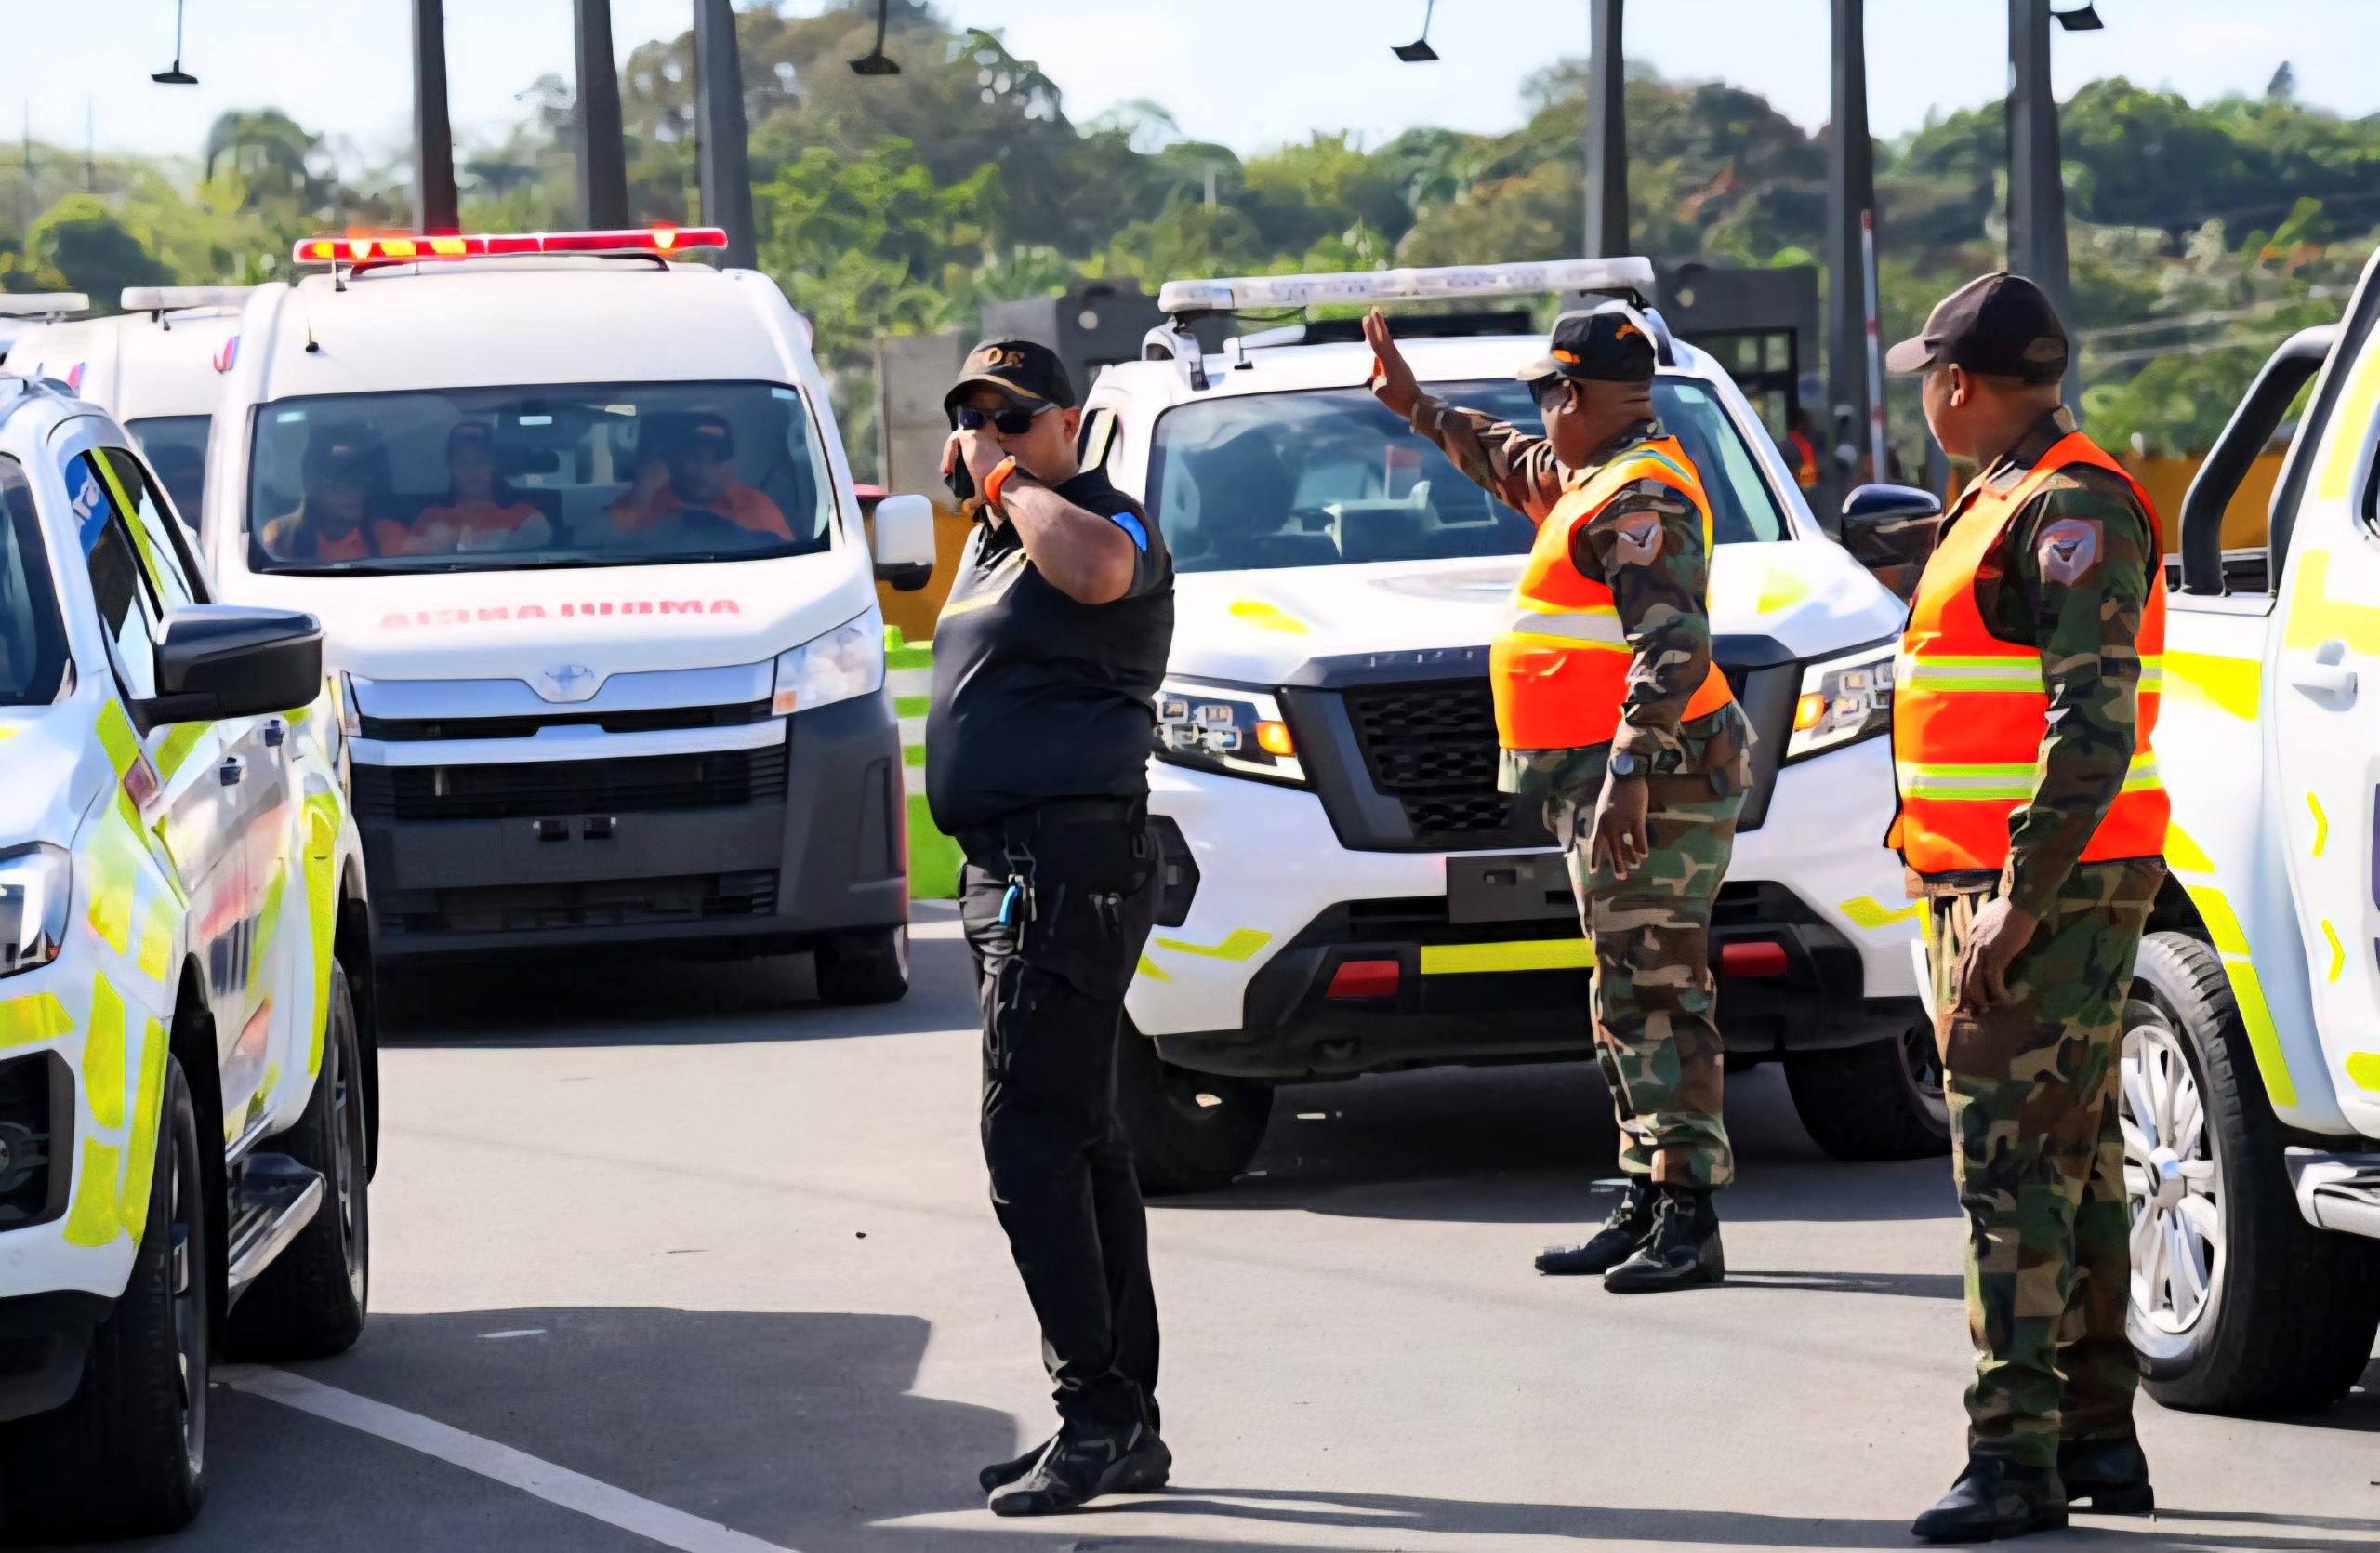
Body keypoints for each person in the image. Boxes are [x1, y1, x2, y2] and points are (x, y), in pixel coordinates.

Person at [1366, 301, 1752, 1293]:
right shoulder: (1590, 477)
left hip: (1652, 783)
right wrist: (1415, 406)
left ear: (1573, 396)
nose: (1537, 418)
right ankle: (1643, 1190)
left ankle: (1686, 1213)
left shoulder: (1641, 498)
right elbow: (1504, 457)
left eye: (1546, 396)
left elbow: (1672, 646)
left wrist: (1625, 774)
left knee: (1660, 992)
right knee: (1622, 992)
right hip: (1606, 785)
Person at [1881, 272, 2168, 1544]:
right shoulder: (2008, 492)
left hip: (2040, 885)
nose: (1924, 401)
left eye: (1928, 380)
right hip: (2010, 875)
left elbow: (2090, 723)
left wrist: (2012, 900)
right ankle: (2095, 1433)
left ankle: (2013, 1456)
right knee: (2075, 1155)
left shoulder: (2069, 504)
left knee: (2007, 1171)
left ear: (1959, 384)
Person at [925, 339, 1175, 1516]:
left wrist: (1015, 477)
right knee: (1082, 1137)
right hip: (1008, 869)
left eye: (1014, 416)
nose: (990, 436)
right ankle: (1123, 1416)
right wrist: (979, 479)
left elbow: (1093, 577)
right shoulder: (989, 533)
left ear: (1067, 421)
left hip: (1066, 866)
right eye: (974, 417)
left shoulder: (1098, 516)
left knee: (1028, 1143)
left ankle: (1096, 1414)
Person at [608, 412, 791, 540]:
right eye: (694, 458)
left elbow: (788, 566)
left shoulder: (753, 505)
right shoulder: (648, 499)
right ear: (675, 462)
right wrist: (643, 494)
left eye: (717, 458)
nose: (704, 471)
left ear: (729, 464)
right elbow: (608, 546)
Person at [404, 420, 552, 555]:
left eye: (480, 462)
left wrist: (501, 539)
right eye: (462, 463)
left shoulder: (525, 514)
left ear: (494, 466)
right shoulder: (432, 518)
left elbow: (545, 549)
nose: (471, 470)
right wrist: (434, 545)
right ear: (451, 468)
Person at [259, 431, 406, 563]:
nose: (353, 492)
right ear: (312, 487)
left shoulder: (385, 533)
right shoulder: (281, 534)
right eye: (337, 483)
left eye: (360, 482)